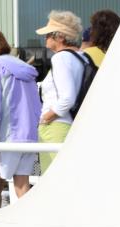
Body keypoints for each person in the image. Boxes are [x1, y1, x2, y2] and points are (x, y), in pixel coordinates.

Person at [34, 11, 86, 173]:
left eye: (49, 34)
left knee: (52, 177)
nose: (45, 38)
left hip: (56, 126)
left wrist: (45, 118)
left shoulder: (60, 58)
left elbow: (67, 98)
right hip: (73, 124)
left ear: (60, 37)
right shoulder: (82, 57)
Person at [0, 30, 41, 199]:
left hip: (7, 134)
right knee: (22, 186)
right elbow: (37, 104)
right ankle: (30, 222)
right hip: (29, 134)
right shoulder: (24, 68)